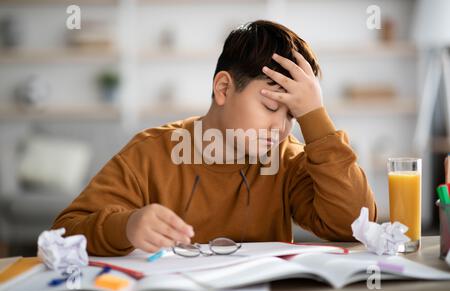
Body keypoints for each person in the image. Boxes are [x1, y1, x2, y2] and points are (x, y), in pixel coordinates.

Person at [52, 20, 377, 256]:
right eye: (269, 106)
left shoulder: (286, 158)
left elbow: (354, 225)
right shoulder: (149, 153)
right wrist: (126, 226)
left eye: (292, 115)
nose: (279, 129)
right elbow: (62, 233)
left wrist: (314, 117)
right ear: (223, 88)